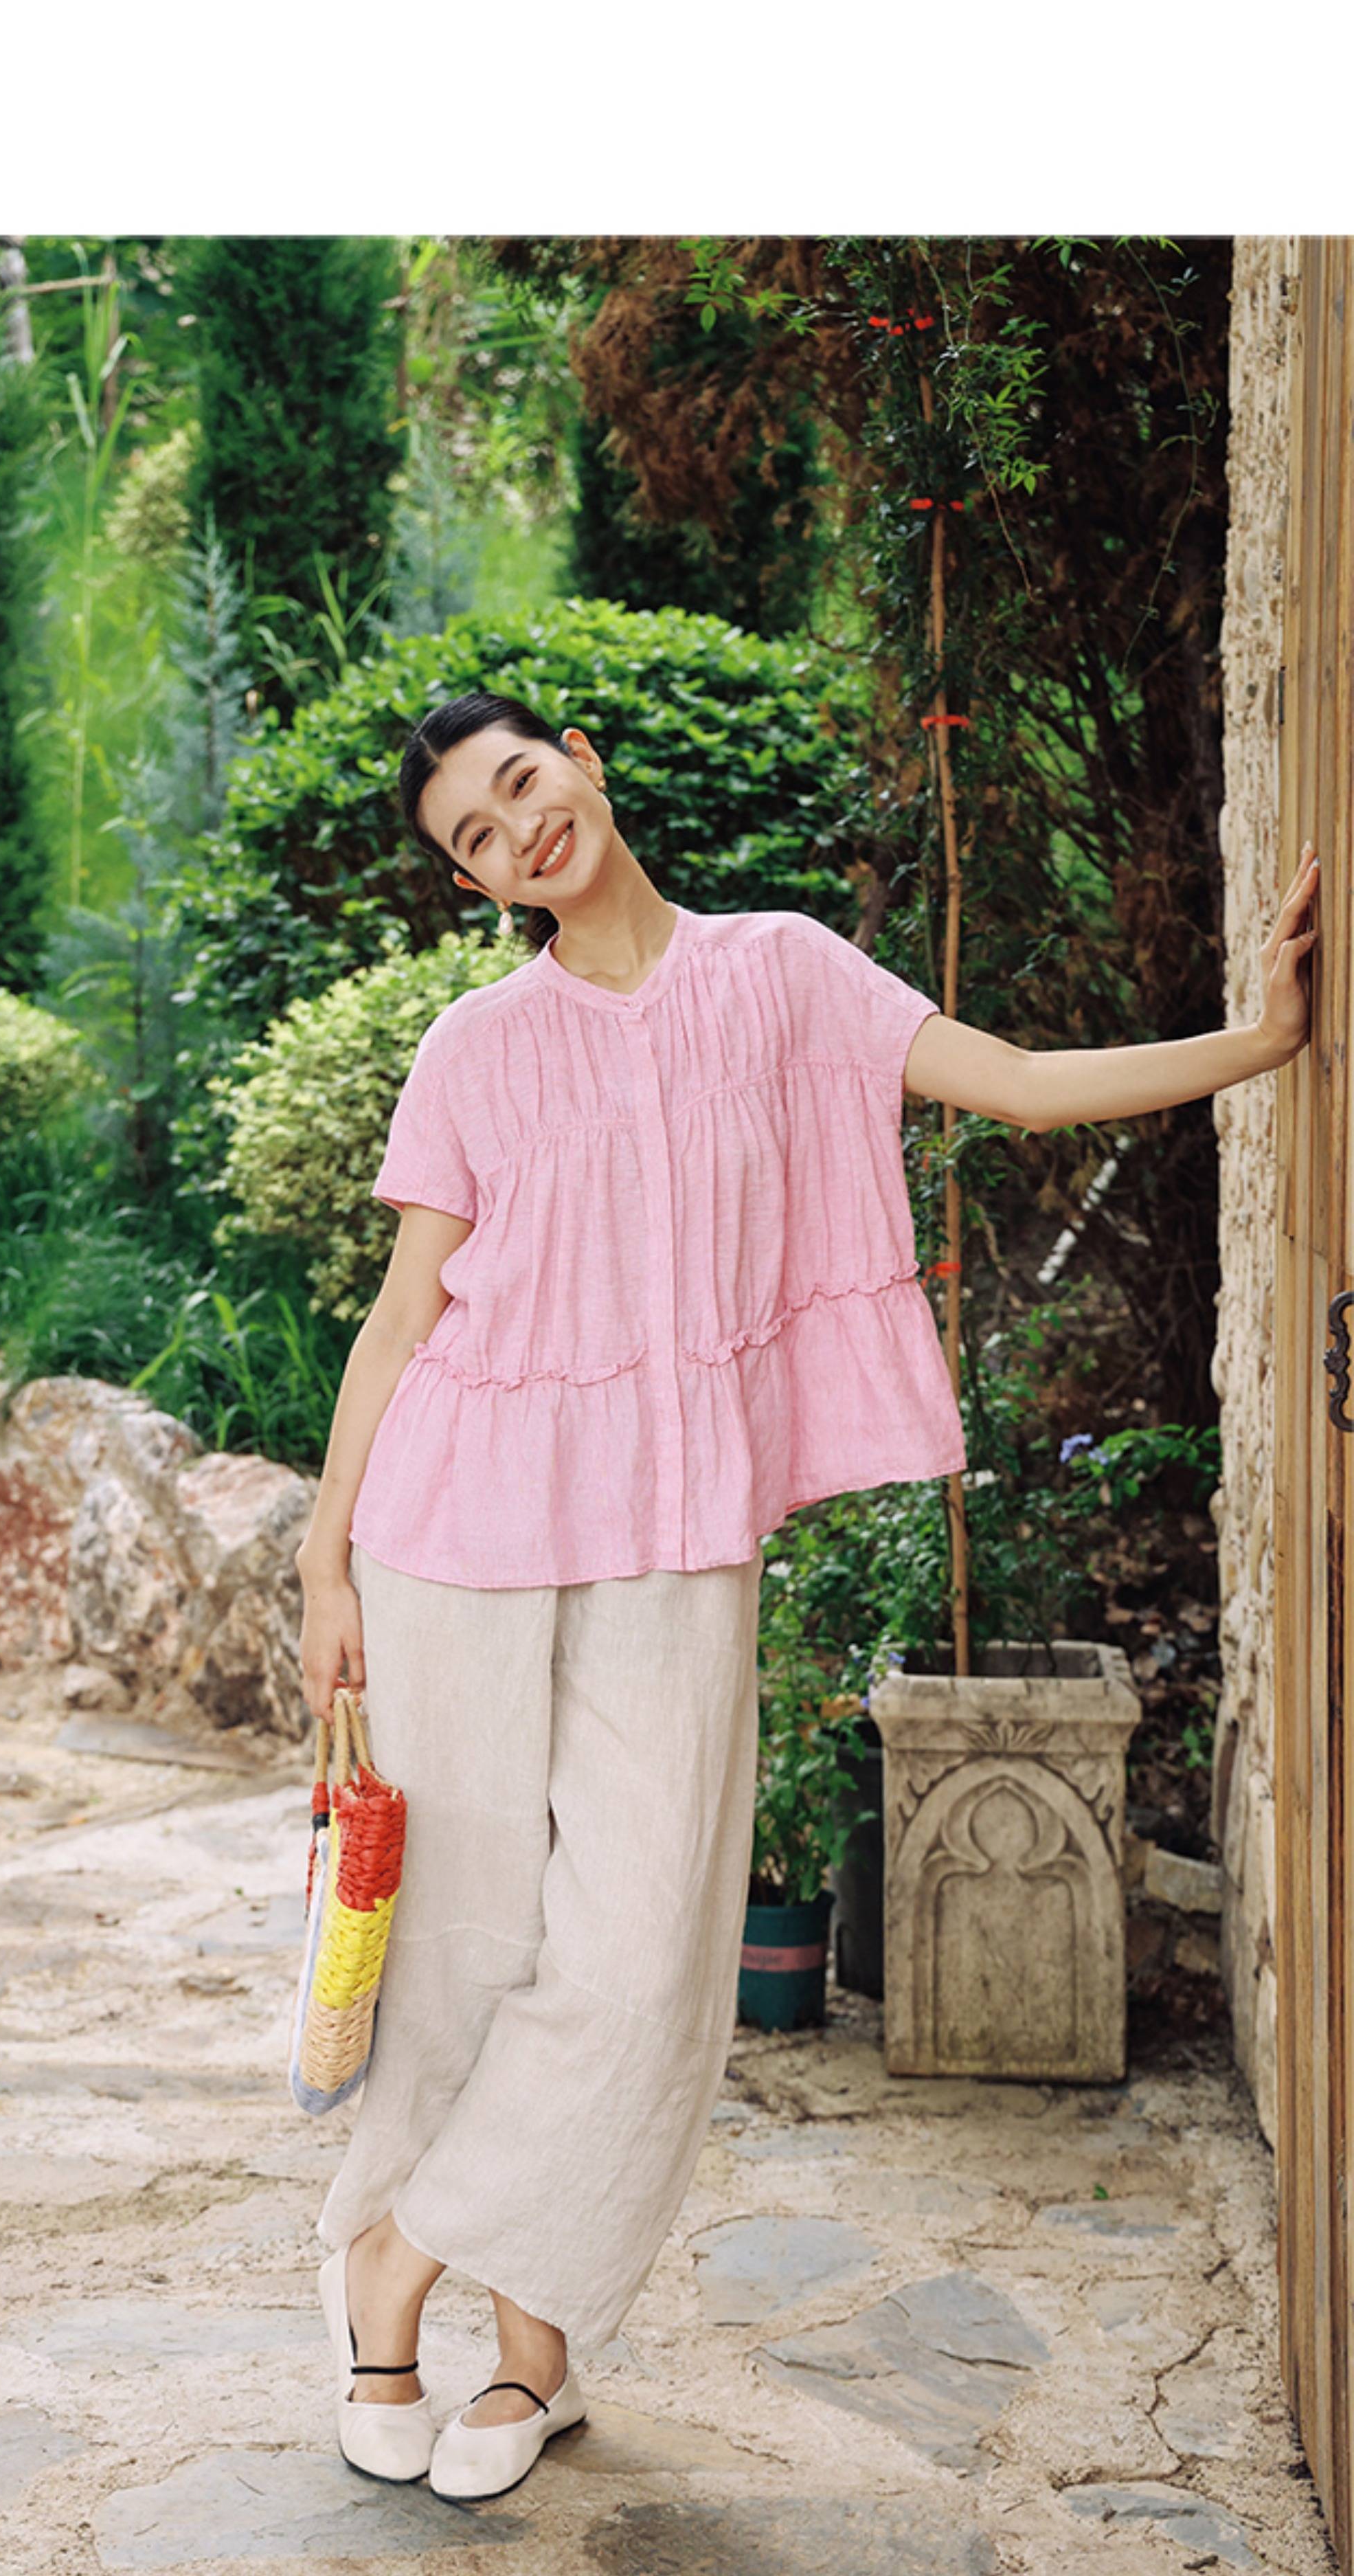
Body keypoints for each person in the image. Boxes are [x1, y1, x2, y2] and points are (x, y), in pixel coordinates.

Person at [295, 691, 1320, 2498]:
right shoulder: (474, 1045)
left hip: (679, 1523)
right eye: (477, 838)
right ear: (475, 886)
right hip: (452, 1526)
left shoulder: (781, 972)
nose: (520, 834)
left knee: (638, 1964)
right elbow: (405, 1315)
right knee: (462, 1948)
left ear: (585, 760)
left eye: (523, 785)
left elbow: (1017, 1084)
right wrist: (324, 1560)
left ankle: (398, 2255)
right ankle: (521, 2367)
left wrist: (1264, 1040)